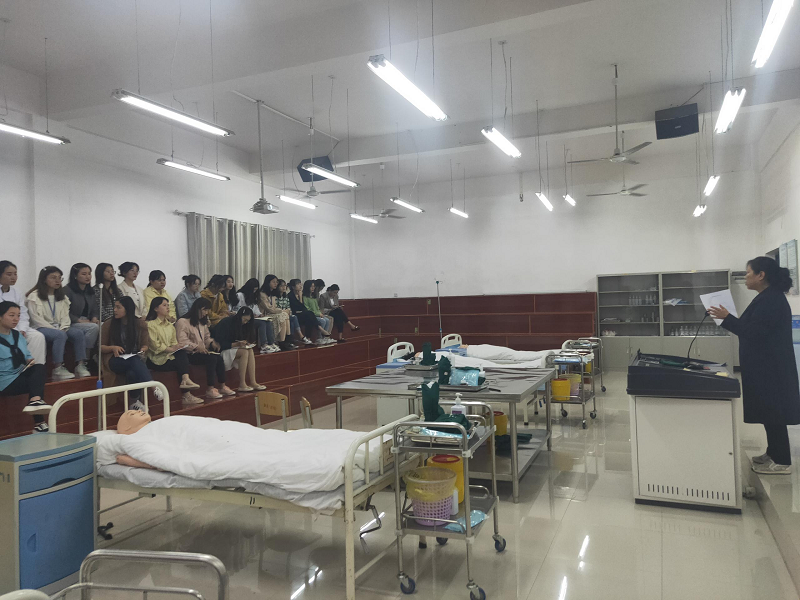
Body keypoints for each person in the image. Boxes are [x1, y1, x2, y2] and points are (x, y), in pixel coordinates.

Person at [709, 256, 800, 475]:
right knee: (768, 411)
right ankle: (773, 452)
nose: (745, 277)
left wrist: (727, 318)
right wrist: (728, 318)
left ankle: (783, 462)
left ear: (761, 275)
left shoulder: (771, 300)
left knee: (775, 412)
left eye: (748, 273)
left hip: (771, 368)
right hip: (764, 367)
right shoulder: (766, 297)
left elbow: (753, 332)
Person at [26, 266, 92, 380]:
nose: (57, 281)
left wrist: (63, 327)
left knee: (78, 333)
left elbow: (65, 316)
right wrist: (54, 329)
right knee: (59, 335)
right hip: (41, 327)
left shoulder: (62, 297)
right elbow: (36, 318)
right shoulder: (34, 296)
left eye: (59, 278)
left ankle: (80, 365)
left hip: (59, 327)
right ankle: (58, 368)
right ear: (44, 279)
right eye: (53, 278)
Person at [100, 296, 162, 412]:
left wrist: (143, 349)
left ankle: (134, 402)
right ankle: (153, 387)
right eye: (115, 307)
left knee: (132, 371)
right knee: (134, 361)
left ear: (127, 309)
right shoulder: (109, 324)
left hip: (133, 357)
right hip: (114, 359)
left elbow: (145, 344)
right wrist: (113, 348)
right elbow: (100, 347)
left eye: (118, 307)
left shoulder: (139, 324)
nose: (115, 310)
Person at [0, 301, 51, 432]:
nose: (16, 319)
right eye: (11, 315)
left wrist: (29, 361)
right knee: (36, 383)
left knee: (39, 368)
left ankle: (35, 402)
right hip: (4, 382)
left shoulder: (18, 335)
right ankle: (39, 422)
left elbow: (27, 355)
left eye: (18, 315)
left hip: (18, 374)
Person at [144, 297, 202, 405]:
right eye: (164, 305)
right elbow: (155, 345)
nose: (168, 307)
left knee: (182, 354)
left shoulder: (170, 326)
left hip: (169, 356)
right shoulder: (150, 324)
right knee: (182, 362)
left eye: (168, 305)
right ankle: (186, 392)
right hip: (156, 359)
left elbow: (173, 342)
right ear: (156, 308)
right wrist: (171, 349)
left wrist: (177, 346)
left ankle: (185, 381)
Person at [176, 298, 236, 400]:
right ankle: (210, 389)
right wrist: (196, 346)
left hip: (201, 352)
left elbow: (206, 337)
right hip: (189, 353)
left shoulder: (202, 323)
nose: (206, 313)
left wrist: (212, 342)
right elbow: (182, 341)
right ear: (197, 308)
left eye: (208, 310)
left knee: (218, 357)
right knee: (211, 359)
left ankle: (222, 386)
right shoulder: (183, 321)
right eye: (204, 310)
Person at [0, 261, 46, 365]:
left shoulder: (17, 292)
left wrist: (22, 329)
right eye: (9, 274)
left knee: (37, 337)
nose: (13, 277)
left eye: (15, 274)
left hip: (17, 326)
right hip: (2, 328)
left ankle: (34, 368)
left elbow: (23, 313)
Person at [211, 307, 266, 392]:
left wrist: (244, 343)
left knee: (250, 350)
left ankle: (253, 382)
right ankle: (242, 384)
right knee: (244, 352)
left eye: (247, 321)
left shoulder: (244, 325)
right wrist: (236, 344)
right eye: (244, 319)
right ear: (240, 316)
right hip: (221, 350)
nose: (245, 322)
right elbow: (219, 344)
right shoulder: (226, 322)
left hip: (232, 348)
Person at [64, 263, 101, 355]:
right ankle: (86, 354)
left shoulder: (90, 291)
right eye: (84, 274)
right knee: (93, 327)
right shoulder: (67, 290)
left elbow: (95, 308)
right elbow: (64, 311)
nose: (88, 277)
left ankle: (99, 355)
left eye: (89, 274)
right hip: (71, 322)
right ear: (75, 276)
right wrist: (78, 320)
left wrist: (95, 318)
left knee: (104, 325)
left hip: (87, 321)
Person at [237, 278, 279, 353]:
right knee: (261, 323)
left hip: (253, 318)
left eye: (256, 290)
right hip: (244, 319)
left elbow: (255, 308)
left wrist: (260, 314)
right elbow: (237, 309)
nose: (254, 292)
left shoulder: (253, 296)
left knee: (268, 321)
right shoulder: (240, 295)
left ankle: (271, 343)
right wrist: (250, 315)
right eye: (253, 290)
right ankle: (264, 345)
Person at [260, 274, 293, 350]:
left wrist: (282, 311)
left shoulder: (272, 294)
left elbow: (274, 308)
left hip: (271, 314)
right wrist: (282, 310)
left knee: (285, 315)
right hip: (264, 315)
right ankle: (282, 342)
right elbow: (269, 309)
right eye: (273, 282)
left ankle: (286, 340)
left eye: (276, 282)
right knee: (283, 314)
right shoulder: (262, 294)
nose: (276, 284)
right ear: (268, 283)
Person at [277, 279, 309, 346]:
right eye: (281, 286)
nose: (284, 287)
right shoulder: (280, 297)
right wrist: (285, 311)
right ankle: (300, 336)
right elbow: (277, 309)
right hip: (280, 315)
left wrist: (300, 297)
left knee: (292, 319)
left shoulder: (285, 297)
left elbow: (289, 308)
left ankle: (290, 341)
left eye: (285, 285)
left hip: (287, 314)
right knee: (293, 318)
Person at [288, 279, 320, 345]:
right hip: (295, 315)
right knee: (309, 314)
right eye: (298, 284)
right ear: (293, 287)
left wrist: (300, 297)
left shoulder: (301, 294)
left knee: (309, 317)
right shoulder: (290, 296)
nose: (300, 286)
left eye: (300, 284)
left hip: (302, 314)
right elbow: (297, 309)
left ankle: (308, 338)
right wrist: (300, 298)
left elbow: (303, 308)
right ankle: (319, 328)